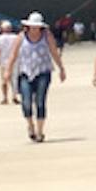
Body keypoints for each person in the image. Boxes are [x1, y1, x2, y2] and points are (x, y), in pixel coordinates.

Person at [13, 11, 66, 142]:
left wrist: (61, 68)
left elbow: (54, 52)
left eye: (37, 27)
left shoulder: (47, 36)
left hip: (43, 71)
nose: (35, 29)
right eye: (33, 26)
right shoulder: (21, 37)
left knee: (40, 101)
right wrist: (8, 71)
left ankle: (40, 131)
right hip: (25, 72)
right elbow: (14, 54)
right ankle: (30, 125)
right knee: (26, 102)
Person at [0, 20, 20, 105]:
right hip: (15, 61)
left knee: (4, 80)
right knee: (14, 79)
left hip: (4, 61)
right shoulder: (16, 37)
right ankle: (14, 96)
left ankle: (5, 97)